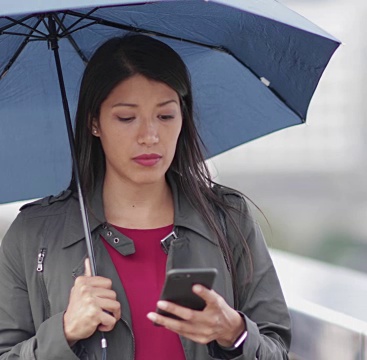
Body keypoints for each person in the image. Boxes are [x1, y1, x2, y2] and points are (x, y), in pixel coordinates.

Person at [0, 34, 291, 359]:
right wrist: (65, 331)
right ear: (94, 122)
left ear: (183, 118)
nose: (150, 136)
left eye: (165, 116)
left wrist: (234, 332)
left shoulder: (229, 218)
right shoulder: (33, 234)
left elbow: (277, 350)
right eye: (126, 118)